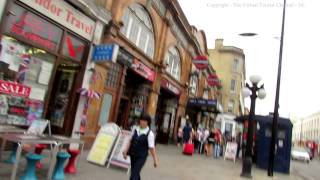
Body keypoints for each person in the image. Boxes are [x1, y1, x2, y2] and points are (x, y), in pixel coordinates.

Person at [123, 114, 159, 180]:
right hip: (133, 155)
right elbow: (130, 141)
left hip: (141, 157)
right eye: (141, 120)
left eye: (144, 121)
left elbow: (151, 148)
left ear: (148, 122)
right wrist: (125, 151)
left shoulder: (150, 134)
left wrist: (155, 160)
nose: (142, 122)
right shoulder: (135, 129)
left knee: (133, 175)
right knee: (135, 173)